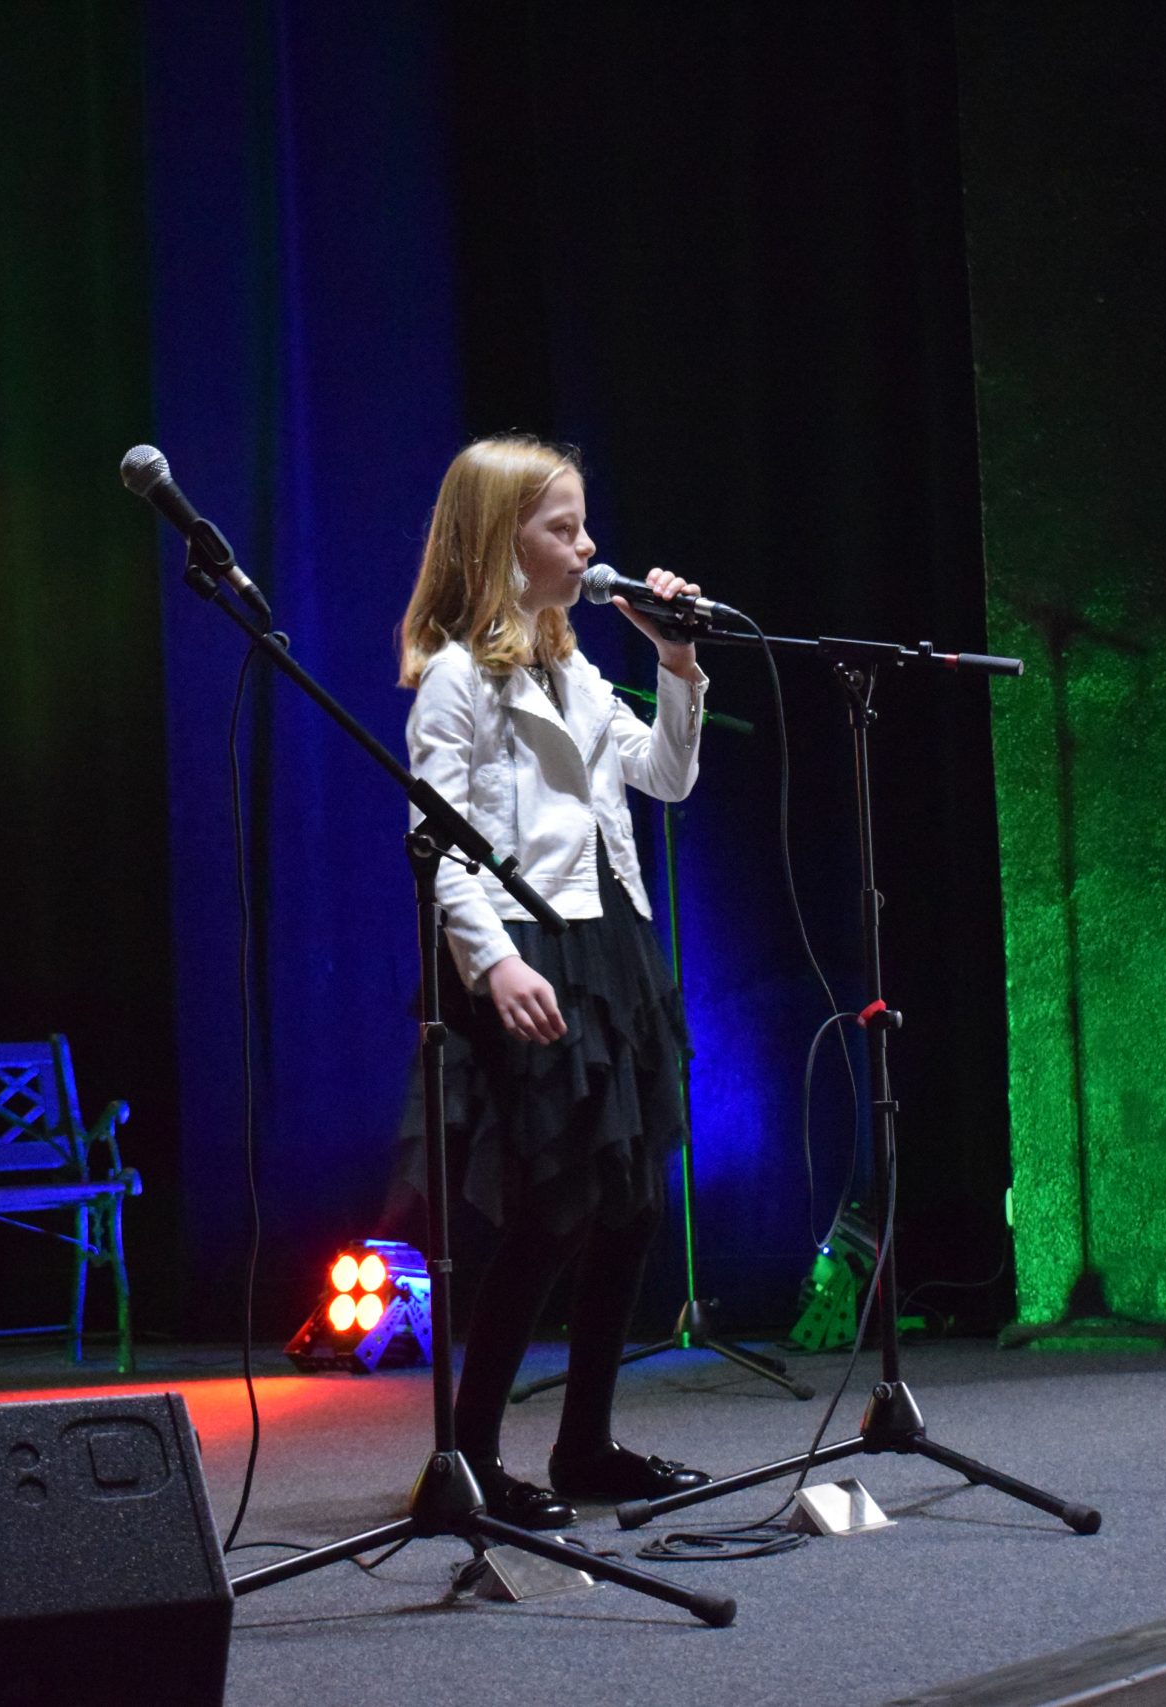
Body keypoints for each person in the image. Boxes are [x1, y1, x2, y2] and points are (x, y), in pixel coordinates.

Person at [394, 434, 713, 1530]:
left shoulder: (575, 673)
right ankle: (472, 1455)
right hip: (531, 944)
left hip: (611, 944)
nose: (587, 547)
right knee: (552, 1210)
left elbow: (666, 776)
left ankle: (586, 1444)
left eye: (584, 526)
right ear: (501, 541)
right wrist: (492, 961)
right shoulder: (456, 679)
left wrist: (678, 664)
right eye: (562, 529)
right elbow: (437, 843)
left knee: (630, 1204)